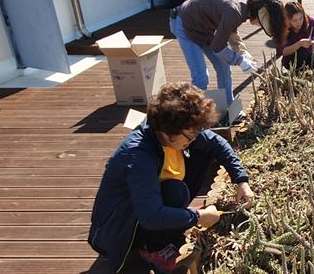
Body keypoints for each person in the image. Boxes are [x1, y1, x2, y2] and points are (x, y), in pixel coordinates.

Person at [88, 82, 255, 273]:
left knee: (202, 155)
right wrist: (197, 216)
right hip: (121, 227)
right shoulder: (138, 157)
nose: (194, 138)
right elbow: (151, 216)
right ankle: (152, 249)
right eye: (190, 136)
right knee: (175, 192)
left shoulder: (175, 133)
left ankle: (169, 228)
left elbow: (217, 143)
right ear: (168, 131)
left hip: (147, 206)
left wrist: (242, 181)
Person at [170, 0, 286, 104]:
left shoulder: (246, 4)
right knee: (201, 78)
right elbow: (218, 47)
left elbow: (231, 31)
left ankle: (227, 107)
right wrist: (239, 60)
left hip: (204, 26)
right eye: (262, 23)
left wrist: (243, 52)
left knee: (224, 68)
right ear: (260, 14)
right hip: (186, 24)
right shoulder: (234, 10)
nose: (258, 26)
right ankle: (196, 116)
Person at [277, 2, 314, 71]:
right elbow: (284, 51)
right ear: (288, 20)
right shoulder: (284, 28)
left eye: (301, 18)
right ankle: (298, 74)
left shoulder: (310, 21)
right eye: (294, 20)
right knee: (301, 53)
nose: (299, 23)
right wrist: (299, 44)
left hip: (309, 56)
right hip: (291, 60)